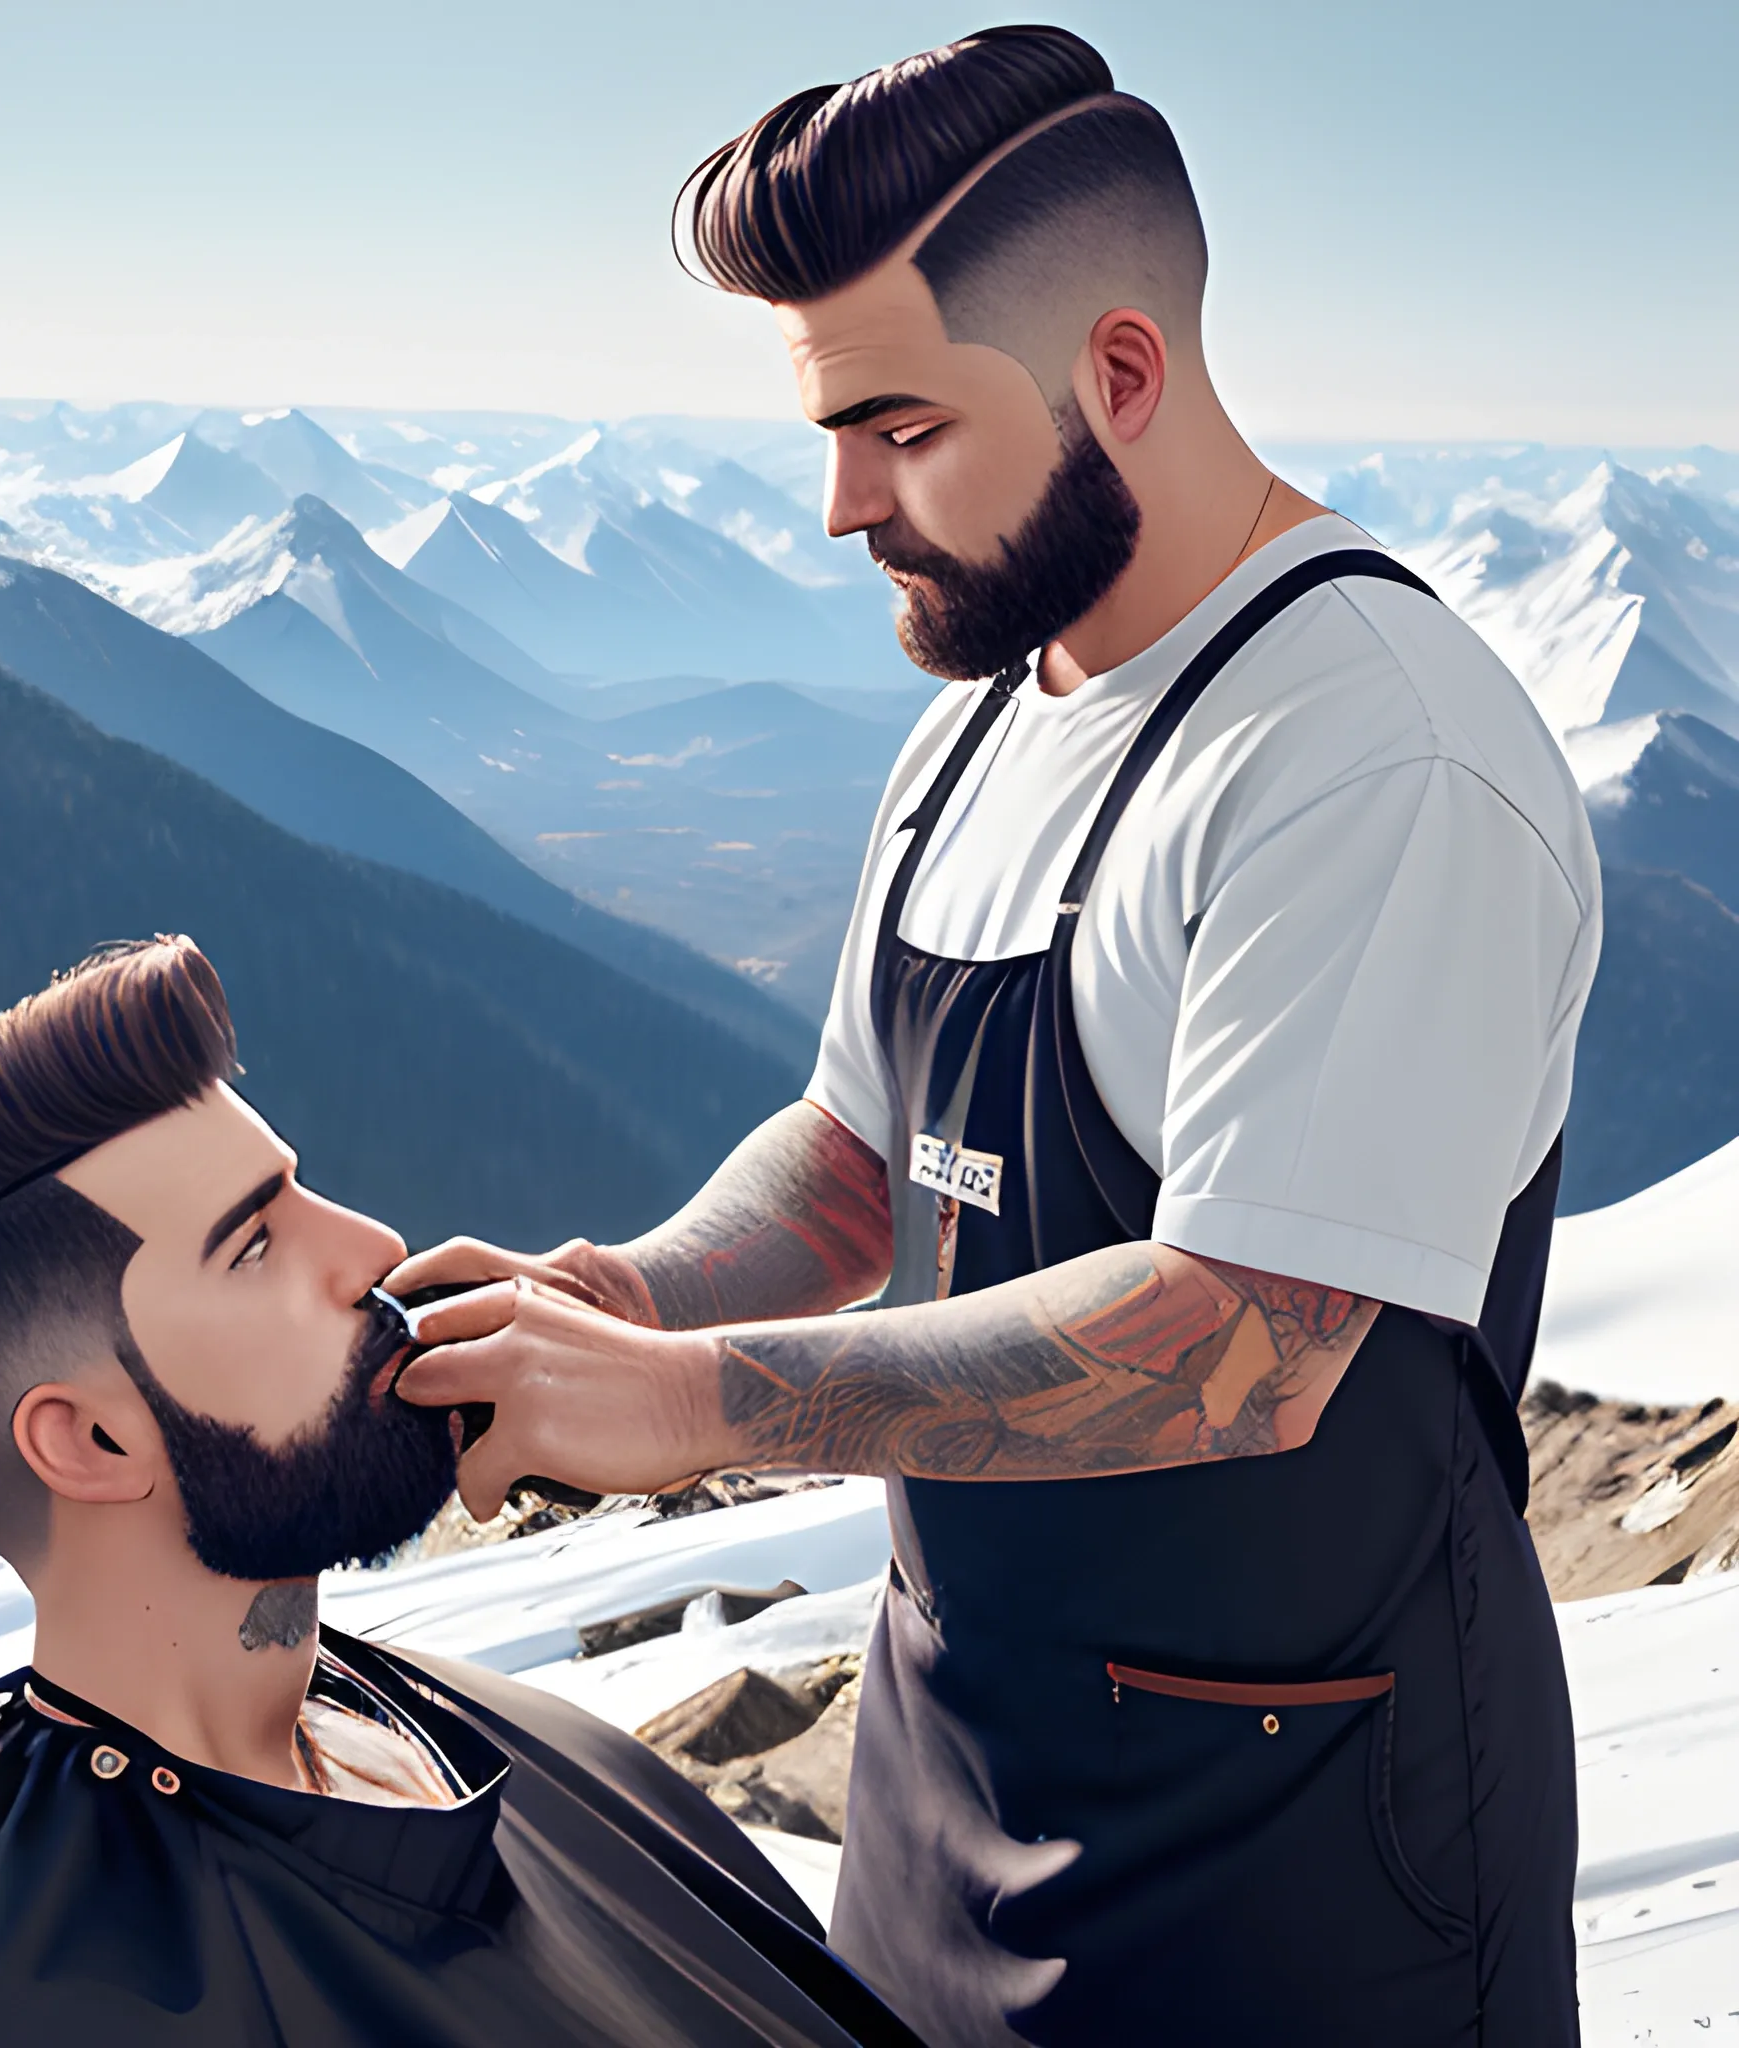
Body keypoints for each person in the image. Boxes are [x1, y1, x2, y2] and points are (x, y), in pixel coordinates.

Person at [388, 24, 1598, 2047]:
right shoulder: (982, 716)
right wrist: (613, 1296)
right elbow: (859, 1158)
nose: (842, 502)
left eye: (896, 426)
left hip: (1300, 1858)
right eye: (825, 431)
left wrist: (690, 1403)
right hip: (951, 1786)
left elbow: (1251, 1338)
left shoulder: (1371, 749)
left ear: (1118, 374)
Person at [0, 937, 919, 2048]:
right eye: (255, 1243)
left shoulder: (495, 1745)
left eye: (300, 1187)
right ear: (92, 1440)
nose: (374, 1244)